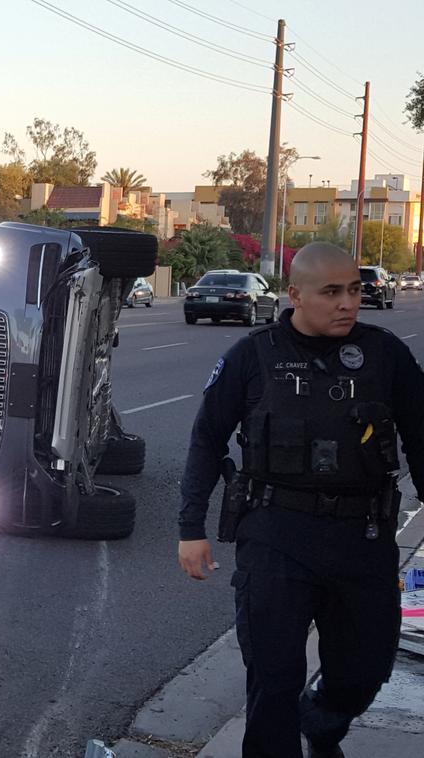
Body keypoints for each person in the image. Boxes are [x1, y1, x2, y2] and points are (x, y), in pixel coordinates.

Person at [177, 243, 424, 758]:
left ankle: (322, 723)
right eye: (332, 292)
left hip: (363, 538)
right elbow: (206, 440)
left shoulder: (385, 355)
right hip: (275, 534)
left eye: (354, 290)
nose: (348, 303)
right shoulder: (252, 356)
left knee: (365, 670)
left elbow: (421, 437)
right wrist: (190, 528)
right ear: (295, 295)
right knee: (273, 677)